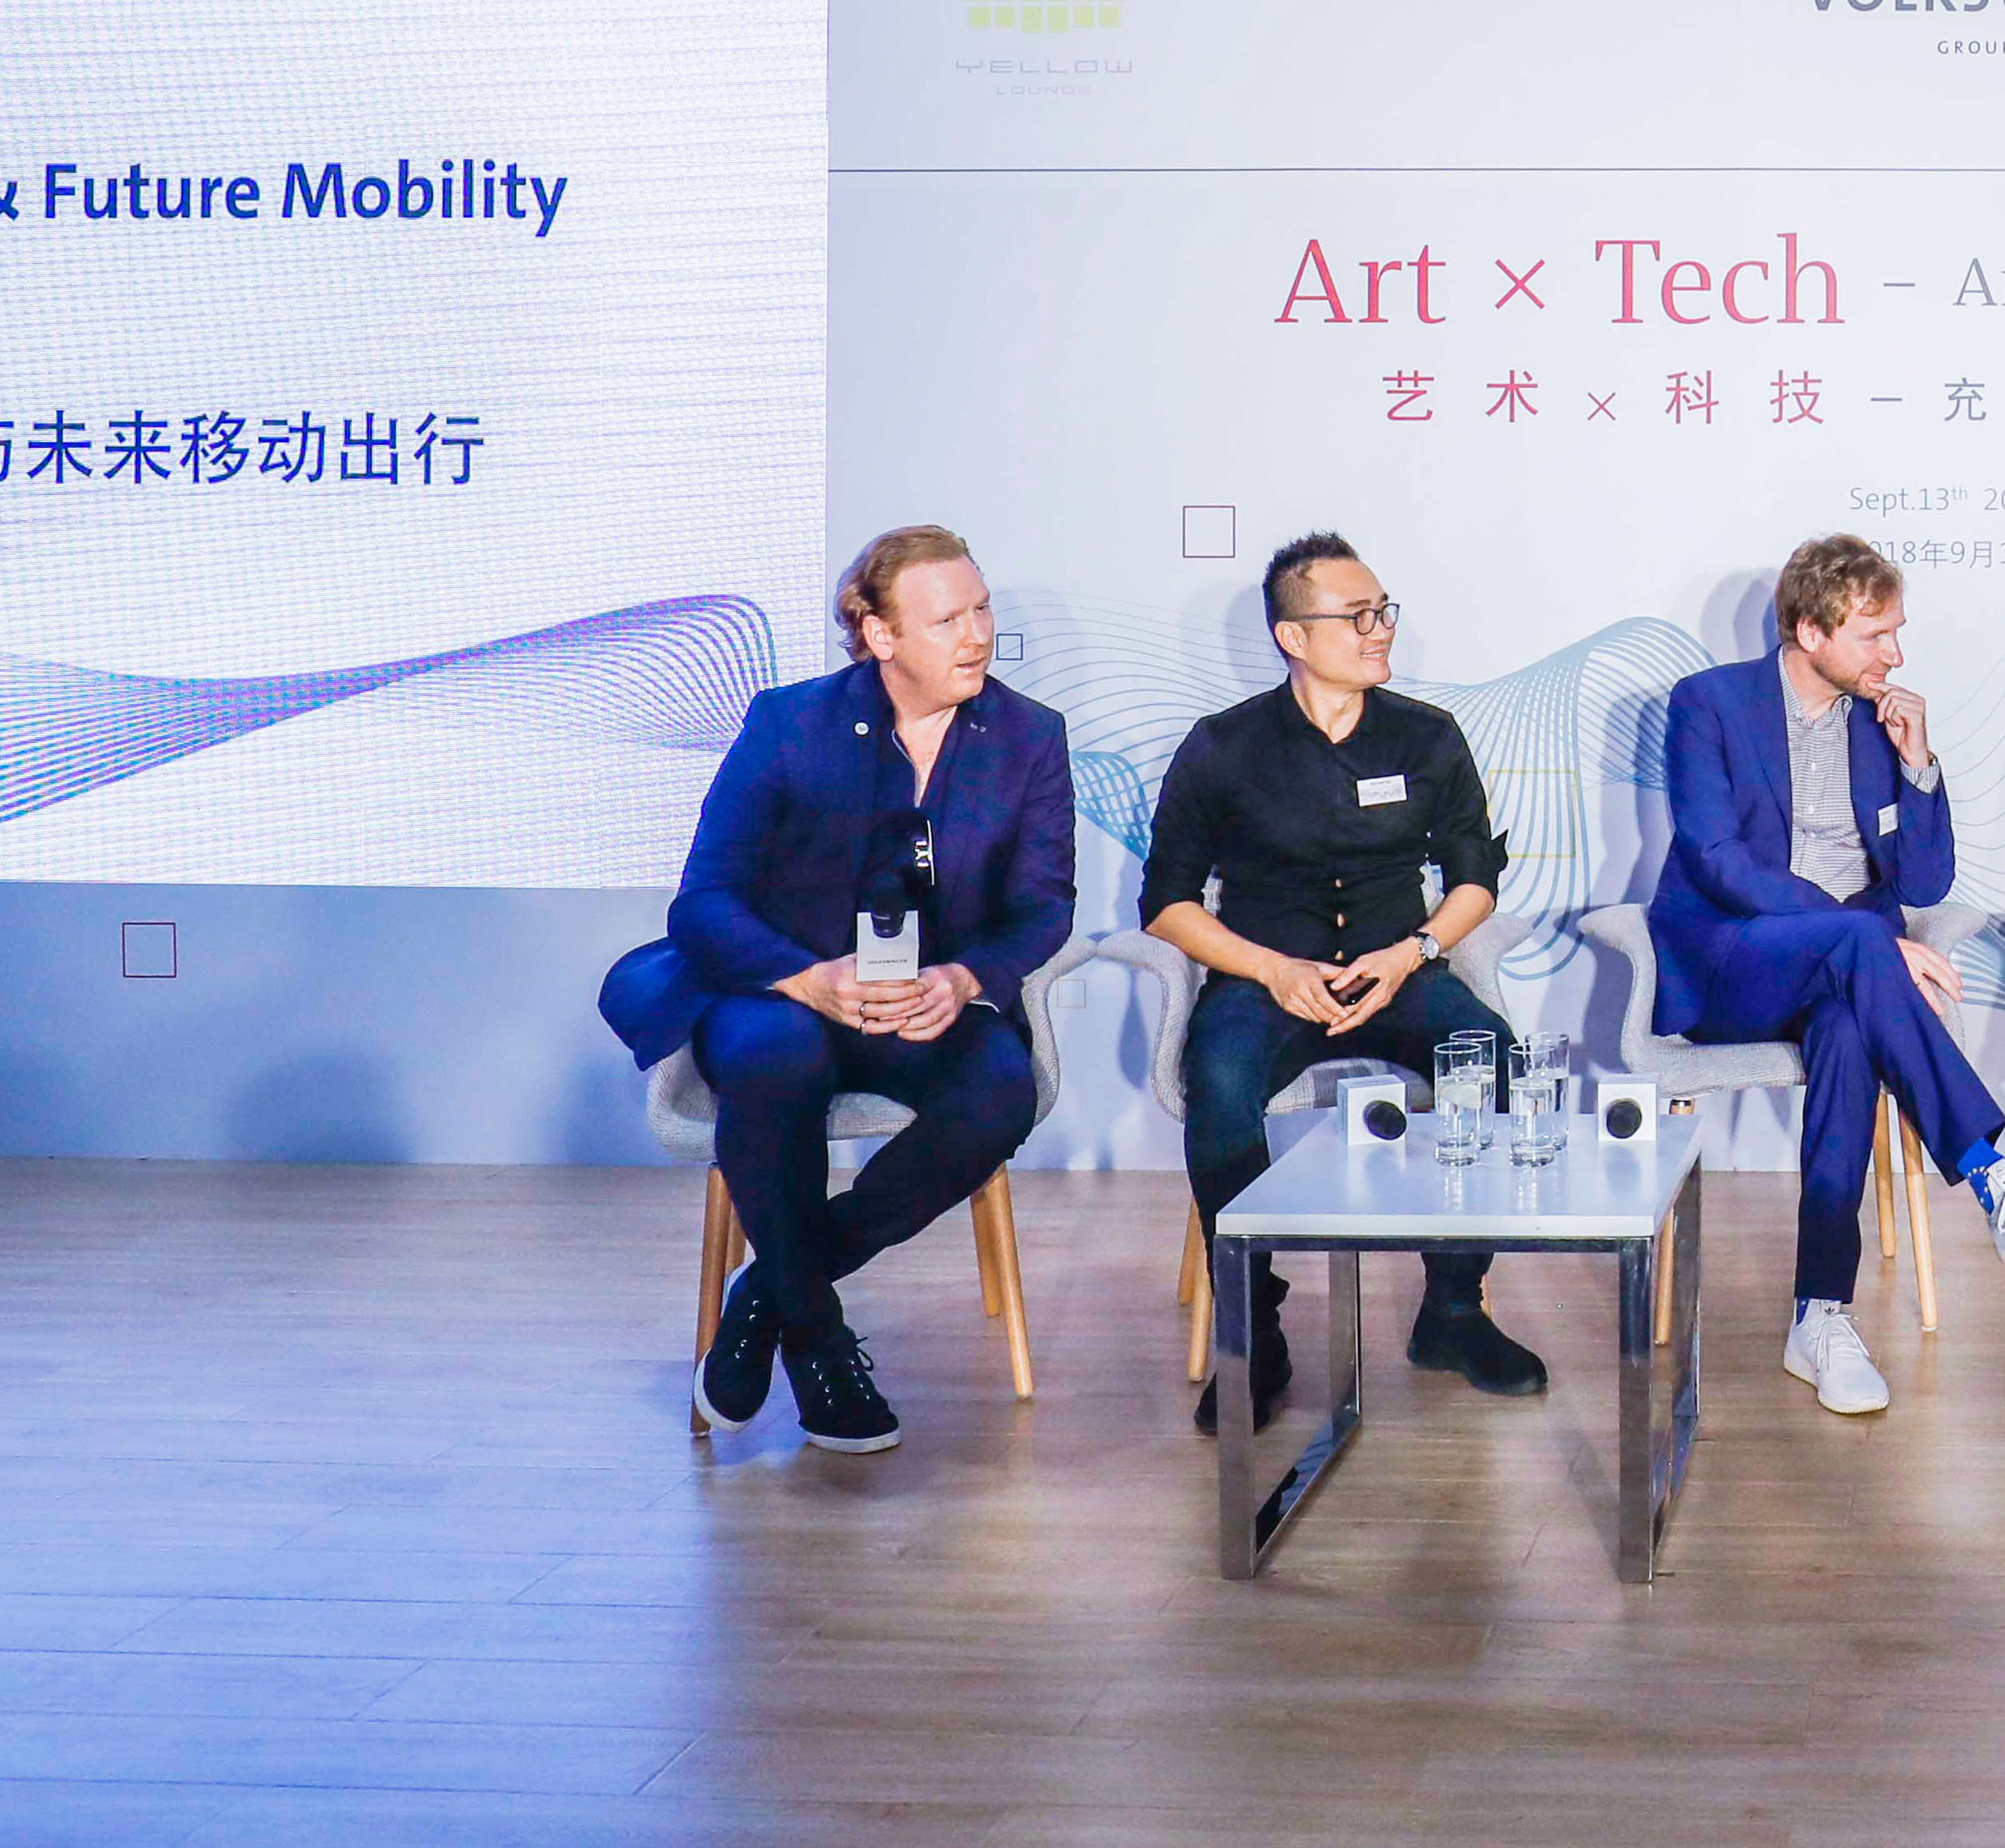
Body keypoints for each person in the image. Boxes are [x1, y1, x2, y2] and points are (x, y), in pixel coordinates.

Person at [612, 525, 1075, 1457]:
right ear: (879, 633)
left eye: (983, 609)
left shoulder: (1029, 734)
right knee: (776, 1060)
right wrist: (809, 978)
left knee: (999, 1091)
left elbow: (1044, 907)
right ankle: (820, 1341)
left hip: (924, 1000)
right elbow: (704, 900)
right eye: (948, 619)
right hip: (784, 989)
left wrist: (963, 977)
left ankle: (773, 1291)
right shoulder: (791, 723)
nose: (977, 634)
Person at [1654, 535, 2005, 1415]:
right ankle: (1990, 1175)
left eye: (1896, 631)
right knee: (1861, 942)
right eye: (1873, 635)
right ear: (1808, 631)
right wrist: (1858, 937)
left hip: (1845, 979)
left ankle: (1820, 1316)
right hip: (1734, 961)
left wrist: (1918, 763)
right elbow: (1715, 858)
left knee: (1846, 1034)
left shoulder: (1877, 719)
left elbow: (1925, 883)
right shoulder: (1709, 702)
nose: (1894, 654)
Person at [1143, 531, 1547, 1433]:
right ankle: (1254, 1331)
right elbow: (1165, 903)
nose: (1379, 629)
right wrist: (1270, 968)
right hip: (1268, 976)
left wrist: (1414, 951)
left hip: (1395, 968)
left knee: (1491, 1058)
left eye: (1382, 611)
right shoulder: (1223, 745)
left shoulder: (1427, 735)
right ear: (1292, 636)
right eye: (1355, 616)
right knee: (1221, 1081)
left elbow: (1475, 878)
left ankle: (1453, 1309)